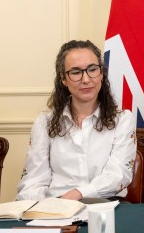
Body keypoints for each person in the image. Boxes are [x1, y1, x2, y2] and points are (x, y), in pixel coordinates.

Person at [16, 40, 136, 201]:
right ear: (63, 79)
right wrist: (35, 209)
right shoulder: (44, 122)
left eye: (92, 69)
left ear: (101, 73)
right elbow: (34, 179)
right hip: (55, 208)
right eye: (75, 72)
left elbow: (118, 175)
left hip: (106, 205)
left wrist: (78, 194)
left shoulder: (122, 119)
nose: (86, 79)